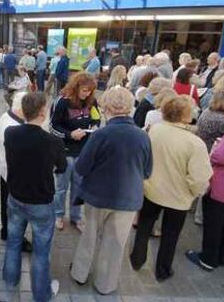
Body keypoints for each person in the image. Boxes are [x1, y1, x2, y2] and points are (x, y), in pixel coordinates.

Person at [70, 86, 152, 295]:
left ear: (106, 107)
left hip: (97, 196)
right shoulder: (142, 136)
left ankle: (80, 274)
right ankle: (105, 284)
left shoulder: (101, 134)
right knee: (115, 243)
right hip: (127, 199)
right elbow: (147, 170)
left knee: (89, 236)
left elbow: (81, 167)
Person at [130, 95, 213, 282]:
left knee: (144, 226)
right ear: (186, 115)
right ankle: (162, 270)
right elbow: (200, 177)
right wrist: (195, 192)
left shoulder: (153, 131)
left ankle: (137, 259)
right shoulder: (195, 143)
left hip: (151, 190)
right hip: (179, 198)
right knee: (170, 235)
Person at [3, 92, 66, 302]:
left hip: (15, 197)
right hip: (41, 203)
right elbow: (62, 167)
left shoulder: (10, 133)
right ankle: (42, 294)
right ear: (42, 113)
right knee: (41, 252)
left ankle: (10, 280)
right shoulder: (53, 142)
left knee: (13, 242)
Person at [49, 72, 98, 232]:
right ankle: (58, 215)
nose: (87, 94)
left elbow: (96, 118)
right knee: (61, 187)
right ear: (76, 88)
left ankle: (76, 217)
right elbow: (52, 126)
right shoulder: (62, 101)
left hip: (83, 152)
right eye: (84, 90)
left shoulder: (92, 101)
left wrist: (95, 126)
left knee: (78, 186)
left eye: (90, 91)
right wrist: (70, 134)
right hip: (64, 151)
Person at [186, 123, 224, 272]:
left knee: (214, 224)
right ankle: (222, 257)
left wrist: (215, 149)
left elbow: (222, 156)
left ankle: (208, 259)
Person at [194, 89, 224, 225]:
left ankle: (198, 214)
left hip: (202, 150)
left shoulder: (207, 112)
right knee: (208, 186)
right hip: (213, 155)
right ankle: (201, 217)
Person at [0, 91, 32, 252]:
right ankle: (15, 237)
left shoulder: (7, 116)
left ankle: (6, 231)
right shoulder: (14, 126)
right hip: (14, 176)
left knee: (6, 205)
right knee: (15, 210)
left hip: (6, 173)